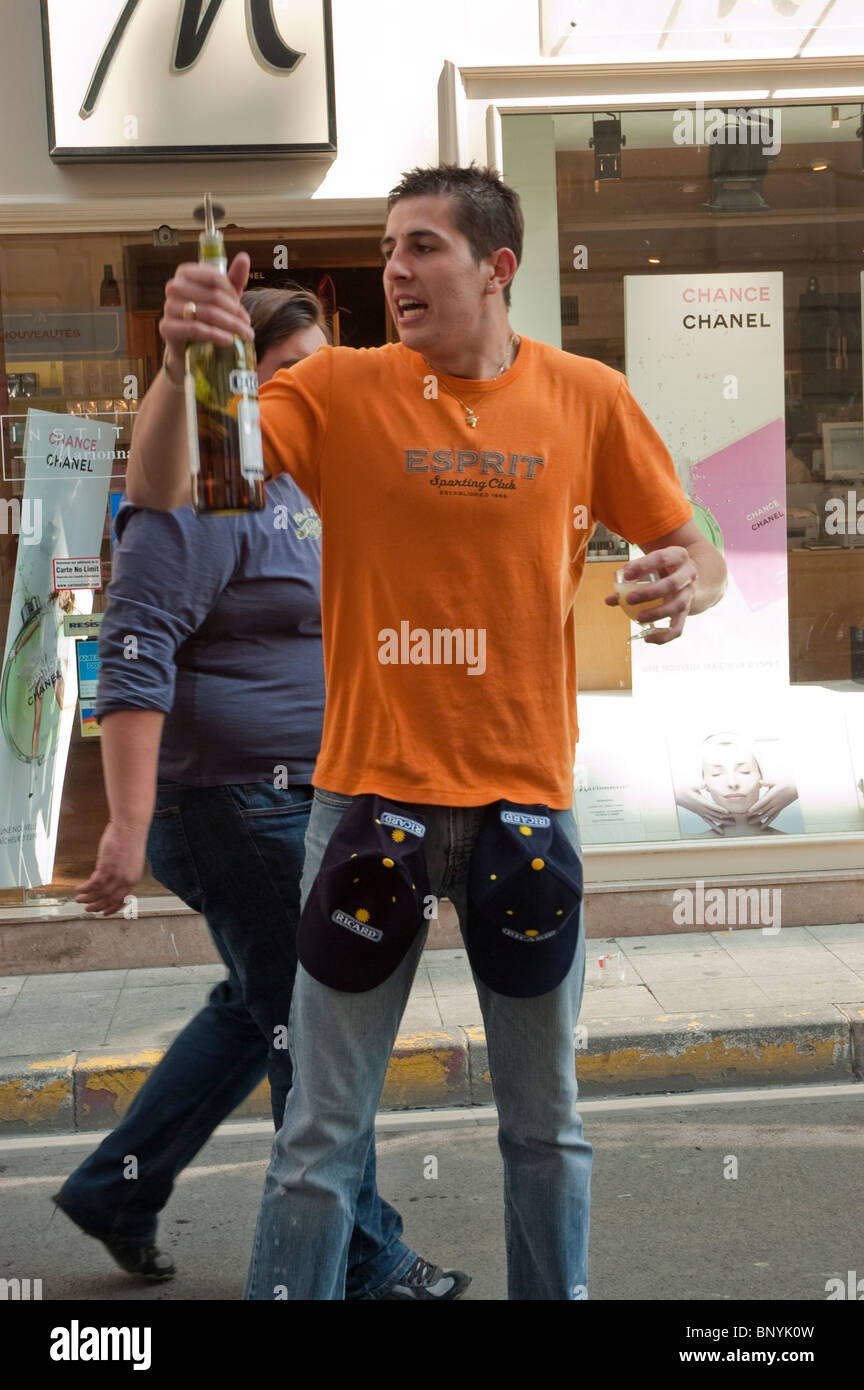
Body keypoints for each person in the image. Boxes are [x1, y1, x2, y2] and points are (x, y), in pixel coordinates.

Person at [126, 163, 728, 1301]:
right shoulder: (343, 390)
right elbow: (174, 480)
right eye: (390, 248)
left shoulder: (587, 397)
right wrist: (179, 368)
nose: (396, 269)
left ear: (497, 267)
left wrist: (680, 583)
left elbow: (700, 550)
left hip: (526, 809)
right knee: (321, 1139)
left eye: (423, 247)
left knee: (546, 1131)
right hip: (366, 806)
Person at [53, 285, 468, 1302]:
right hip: (235, 804)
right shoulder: (213, 486)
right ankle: (367, 1258)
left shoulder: (301, 490)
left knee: (264, 1009)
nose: (311, 398)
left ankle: (117, 1187)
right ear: (240, 388)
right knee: (319, 1022)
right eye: (290, 380)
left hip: (305, 797)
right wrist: (127, 822)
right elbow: (138, 649)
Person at [677, 732, 797, 837]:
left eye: (744, 771)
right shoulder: (684, 845)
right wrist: (676, 795)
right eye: (716, 773)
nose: (732, 783)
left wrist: (796, 788)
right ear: (705, 785)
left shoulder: (797, 845)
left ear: (761, 779)